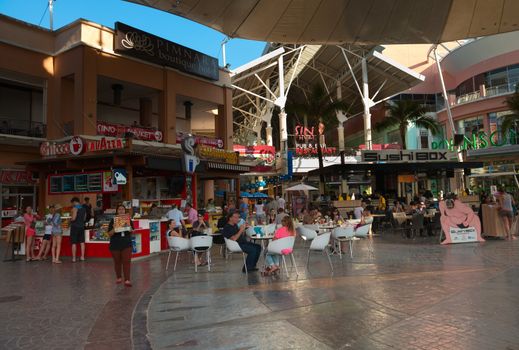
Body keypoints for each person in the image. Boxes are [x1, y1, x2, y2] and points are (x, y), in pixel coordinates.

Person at [107, 205, 133, 286]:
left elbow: (132, 231)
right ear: (117, 211)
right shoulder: (113, 220)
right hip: (115, 243)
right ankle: (119, 277)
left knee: (127, 261)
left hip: (126, 243)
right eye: (119, 209)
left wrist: (129, 228)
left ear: (125, 211)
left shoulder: (128, 219)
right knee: (117, 262)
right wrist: (114, 228)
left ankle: (127, 280)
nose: (121, 211)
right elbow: (109, 234)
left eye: (123, 209)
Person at [70, 197, 86, 262]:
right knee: (82, 242)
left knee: (74, 242)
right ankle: (82, 257)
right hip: (82, 227)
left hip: (75, 227)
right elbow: (84, 218)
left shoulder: (75, 208)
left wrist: (69, 220)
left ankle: (74, 258)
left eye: (72, 203)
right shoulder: (83, 208)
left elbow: (73, 218)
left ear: (74, 202)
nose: (72, 204)